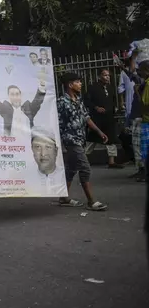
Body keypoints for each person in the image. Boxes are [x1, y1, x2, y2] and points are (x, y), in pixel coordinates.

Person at [57, 73, 109, 211]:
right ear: (70, 85)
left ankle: (63, 198)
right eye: (78, 82)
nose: (80, 84)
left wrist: (99, 132)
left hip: (80, 139)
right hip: (70, 140)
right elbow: (56, 122)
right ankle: (91, 201)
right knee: (85, 167)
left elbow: (86, 117)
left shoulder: (79, 100)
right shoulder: (61, 102)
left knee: (72, 168)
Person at [0, 67, 46, 138]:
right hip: (12, 144)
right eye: (12, 94)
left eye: (17, 94)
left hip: (29, 145)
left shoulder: (28, 108)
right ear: (9, 97)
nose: (15, 97)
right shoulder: (6, 110)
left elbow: (38, 101)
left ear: (20, 95)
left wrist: (42, 84)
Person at [85, 68, 123, 168]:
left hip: (109, 118)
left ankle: (112, 161)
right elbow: (87, 101)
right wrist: (96, 107)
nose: (107, 77)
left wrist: (113, 109)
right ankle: (83, 160)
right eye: (105, 75)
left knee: (111, 138)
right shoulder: (93, 87)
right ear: (99, 76)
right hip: (97, 118)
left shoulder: (110, 88)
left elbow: (113, 101)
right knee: (92, 140)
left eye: (108, 75)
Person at [30, 127, 66, 195]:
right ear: (32, 149)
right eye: (37, 147)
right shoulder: (26, 177)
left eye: (48, 147)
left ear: (56, 150)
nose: (43, 154)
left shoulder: (65, 175)